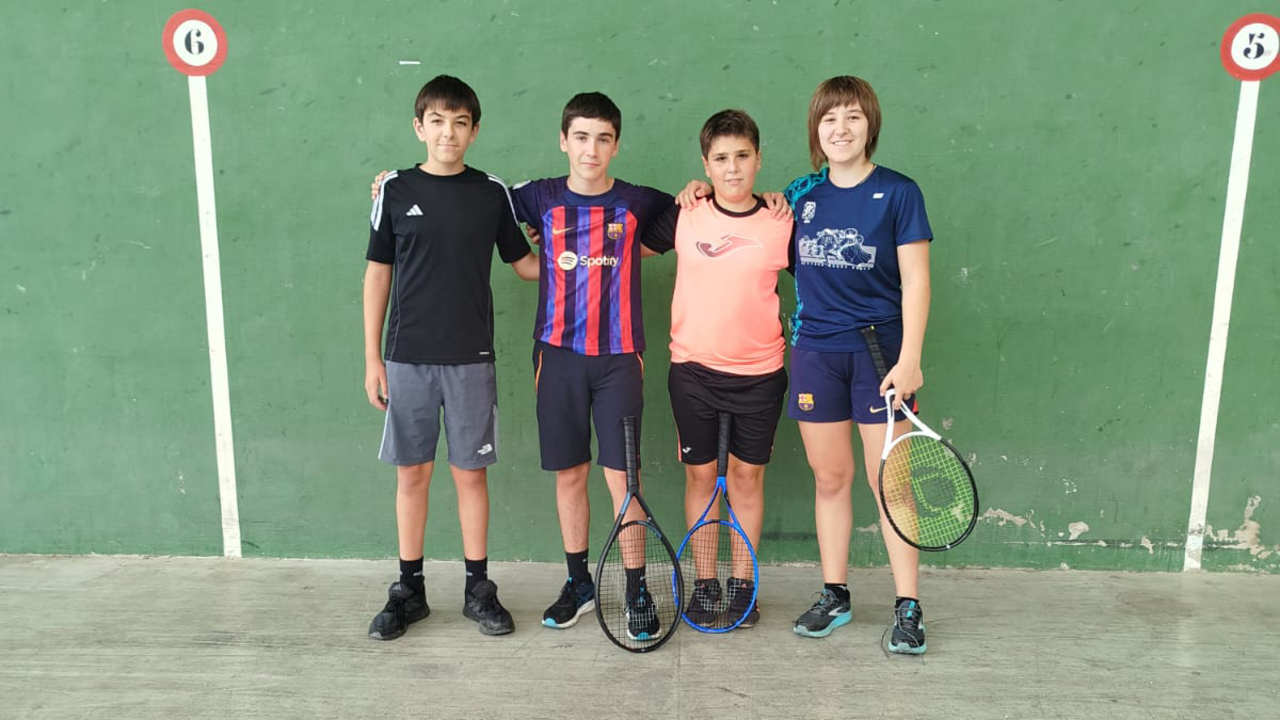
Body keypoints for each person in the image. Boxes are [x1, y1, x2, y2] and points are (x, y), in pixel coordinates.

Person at [363, 75, 538, 641]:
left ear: (474, 131)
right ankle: (409, 590)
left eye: (460, 123)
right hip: (406, 359)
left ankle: (477, 589)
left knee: (470, 475)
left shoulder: (491, 193)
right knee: (412, 474)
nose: (448, 133)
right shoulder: (393, 189)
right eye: (437, 121)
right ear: (419, 127)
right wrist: (372, 359)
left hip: (471, 360)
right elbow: (377, 274)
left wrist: (582, 255)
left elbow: (526, 265)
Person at [506, 92, 676, 641]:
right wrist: (390, 182)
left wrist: (699, 188)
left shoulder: (639, 202)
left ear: (616, 145)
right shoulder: (536, 198)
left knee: (624, 478)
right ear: (563, 141)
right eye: (581, 137)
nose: (591, 149)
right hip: (556, 358)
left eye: (603, 139)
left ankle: (635, 588)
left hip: (619, 359)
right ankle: (579, 582)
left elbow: (694, 211)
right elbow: (476, 196)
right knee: (571, 472)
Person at [784, 76, 934, 653]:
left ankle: (908, 606)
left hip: (880, 356)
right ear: (816, 129)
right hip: (815, 353)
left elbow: (916, 280)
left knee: (890, 483)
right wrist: (699, 191)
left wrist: (910, 358)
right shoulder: (800, 194)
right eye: (829, 118)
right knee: (830, 478)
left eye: (852, 116)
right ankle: (835, 594)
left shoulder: (899, 192)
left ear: (870, 124)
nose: (840, 129)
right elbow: (752, 218)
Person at [643, 109, 792, 629]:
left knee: (747, 479)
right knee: (702, 478)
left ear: (758, 159)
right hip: (694, 372)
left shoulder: (781, 220)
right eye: (721, 158)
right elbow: (621, 245)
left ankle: (744, 587)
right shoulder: (685, 214)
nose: (733, 168)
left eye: (742, 156)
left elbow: (824, 274)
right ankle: (706, 585)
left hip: (761, 374)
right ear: (705, 165)